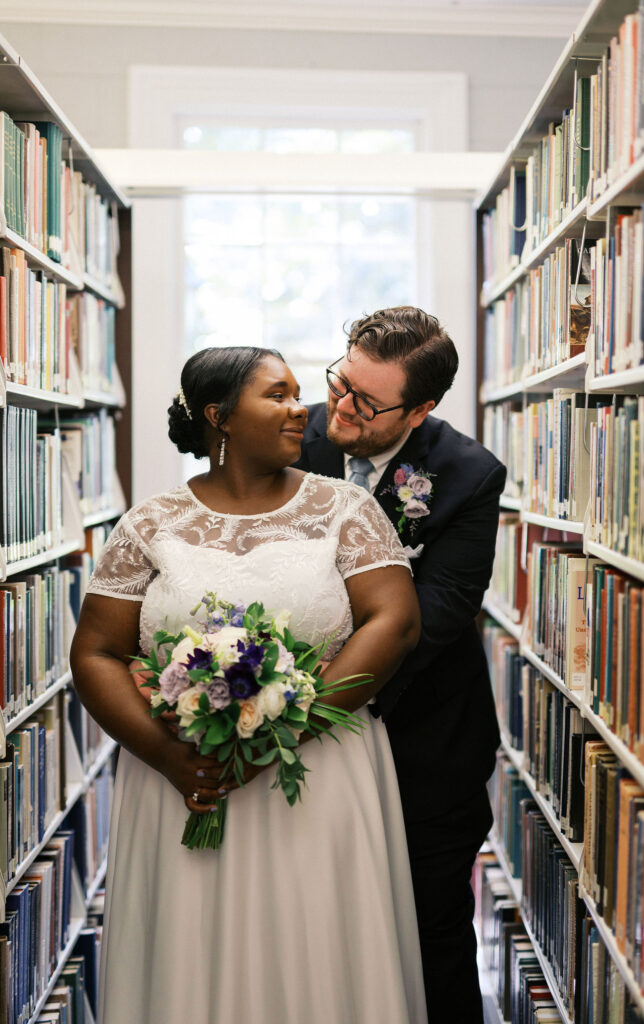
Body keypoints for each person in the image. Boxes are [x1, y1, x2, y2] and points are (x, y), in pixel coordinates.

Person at [70, 345, 428, 1024]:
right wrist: (170, 755)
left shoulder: (344, 508)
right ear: (219, 416)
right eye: (279, 394)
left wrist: (291, 724)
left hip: (317, 770)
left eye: (300, 392)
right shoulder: (149, 523)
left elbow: (396, 621)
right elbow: (95, 651)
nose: (302, 408)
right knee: (191, 958)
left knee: (318, 948)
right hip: (185, 779)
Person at [294, 306, 506, 1024]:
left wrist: (321, 672)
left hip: (426, 738)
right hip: (298, 735)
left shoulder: (469, 474)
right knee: (314, 923)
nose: (340, 408)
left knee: (430, 926)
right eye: (340, 382)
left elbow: (436, 612)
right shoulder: (291, 437)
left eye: (366, 401)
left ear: (420, 410)